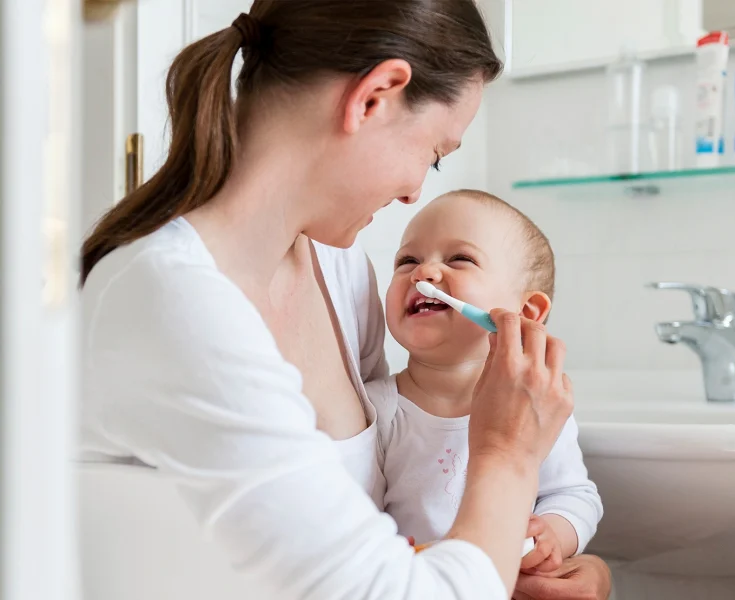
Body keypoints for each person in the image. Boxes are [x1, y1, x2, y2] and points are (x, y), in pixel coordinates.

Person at [78, 1, 611, 598]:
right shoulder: (170, 299)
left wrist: (523, 574)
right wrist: (508, 453)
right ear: (375, 96)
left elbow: (369, 539)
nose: (415, 192)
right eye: (434, 154)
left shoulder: (342, 274)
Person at [365, 190, 603, 572]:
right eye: (407, 260)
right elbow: (351, 516)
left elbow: (574, 495)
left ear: (525, 312)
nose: (422, 273)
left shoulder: (538, 405)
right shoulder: (377, 410)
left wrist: (554, 533)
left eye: (460, 259)